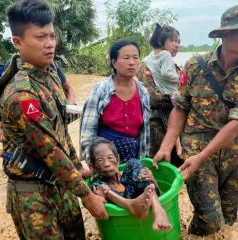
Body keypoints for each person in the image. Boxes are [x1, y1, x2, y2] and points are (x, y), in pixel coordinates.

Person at [0, 1, 108, 239]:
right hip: (33, 195)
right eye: (40, 37)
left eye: (52, 36)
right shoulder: (22, 95)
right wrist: (86, 195)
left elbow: (60, 133)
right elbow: (50, 149)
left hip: (62, 184)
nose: (50, 44)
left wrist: (77, 168)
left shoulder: (50, 74)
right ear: (18, 42)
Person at [153, 5, 238, 236]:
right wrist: (166, 145)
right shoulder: (195, 66)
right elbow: (181, 107)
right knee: (210, 218)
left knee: (229, 217)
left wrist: (202, 155)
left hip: (233, 153)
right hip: (196, 147)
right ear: (227, 34)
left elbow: (235, 123)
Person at [80, 40, 151, 164]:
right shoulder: (102, 89)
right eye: (126, 58)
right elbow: (87, 132)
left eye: (135, 58)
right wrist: (92, 162)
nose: (132, 63)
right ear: (114, 63)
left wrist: (143, 163)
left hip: (133, 159)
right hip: (105, 161)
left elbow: (144, 134)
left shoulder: (143, 92)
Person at [89, 137, 171, 231]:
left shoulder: (128, 174)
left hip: (147, 200)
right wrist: (102, 196)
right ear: (93, 167)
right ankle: (131, 205)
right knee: (97, 187)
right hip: (125, 215)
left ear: (118, 159)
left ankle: (158, 210)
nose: (107, 164)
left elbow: (158, 192)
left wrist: (153, 182)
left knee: (133, 163)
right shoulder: (99, 184)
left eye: (110, 158)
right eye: (100, 161)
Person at [0, 60, 75, 142]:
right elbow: (3, 97)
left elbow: (69, 89)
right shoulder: (13, 65)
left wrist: (70, 107)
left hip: (57, 132)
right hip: (24, 136)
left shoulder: (52, 66)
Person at [137, 24, 183, 166]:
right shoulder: (145, 64)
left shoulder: (171, 63)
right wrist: (180, 99)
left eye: (178, 42)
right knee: (157, 166)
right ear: (160, 42)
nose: (176, 45)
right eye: (173, 41)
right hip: (157, 125)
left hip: (176, 121)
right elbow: (152, 97)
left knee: (177, 165)